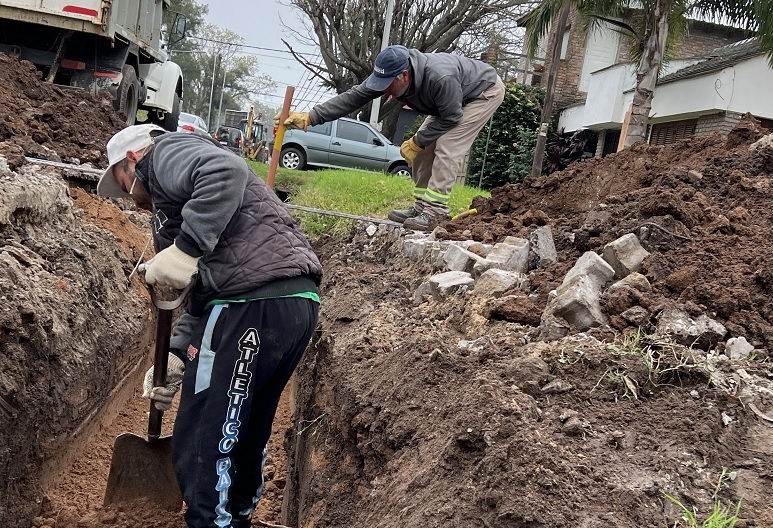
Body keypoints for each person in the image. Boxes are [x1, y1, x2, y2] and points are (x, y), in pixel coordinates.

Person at [97, 123, 323, 528]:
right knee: (244, 427)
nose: (133, 202)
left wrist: (186, 249)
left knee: (206, 432)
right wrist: (177, 356)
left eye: (122, 183)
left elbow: (227, 172)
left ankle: (210, 523)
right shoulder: (177, 206)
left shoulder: (164, 155)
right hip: (292, 304)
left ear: (131, 160)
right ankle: (234, 519)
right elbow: (197, 295)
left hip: (248, 304)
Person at [277, 44, 505, 231]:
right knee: (425, 147)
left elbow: (452, 118)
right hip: (450, 100)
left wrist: (417, 141)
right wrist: (310, 117)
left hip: (482, 93)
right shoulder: (390, 74)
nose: (383, 90)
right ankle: (421, 207)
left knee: (446, 144)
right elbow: (354, 97)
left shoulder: (439, 77)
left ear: (404, 75)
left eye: (387, 86)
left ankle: (435, 211)